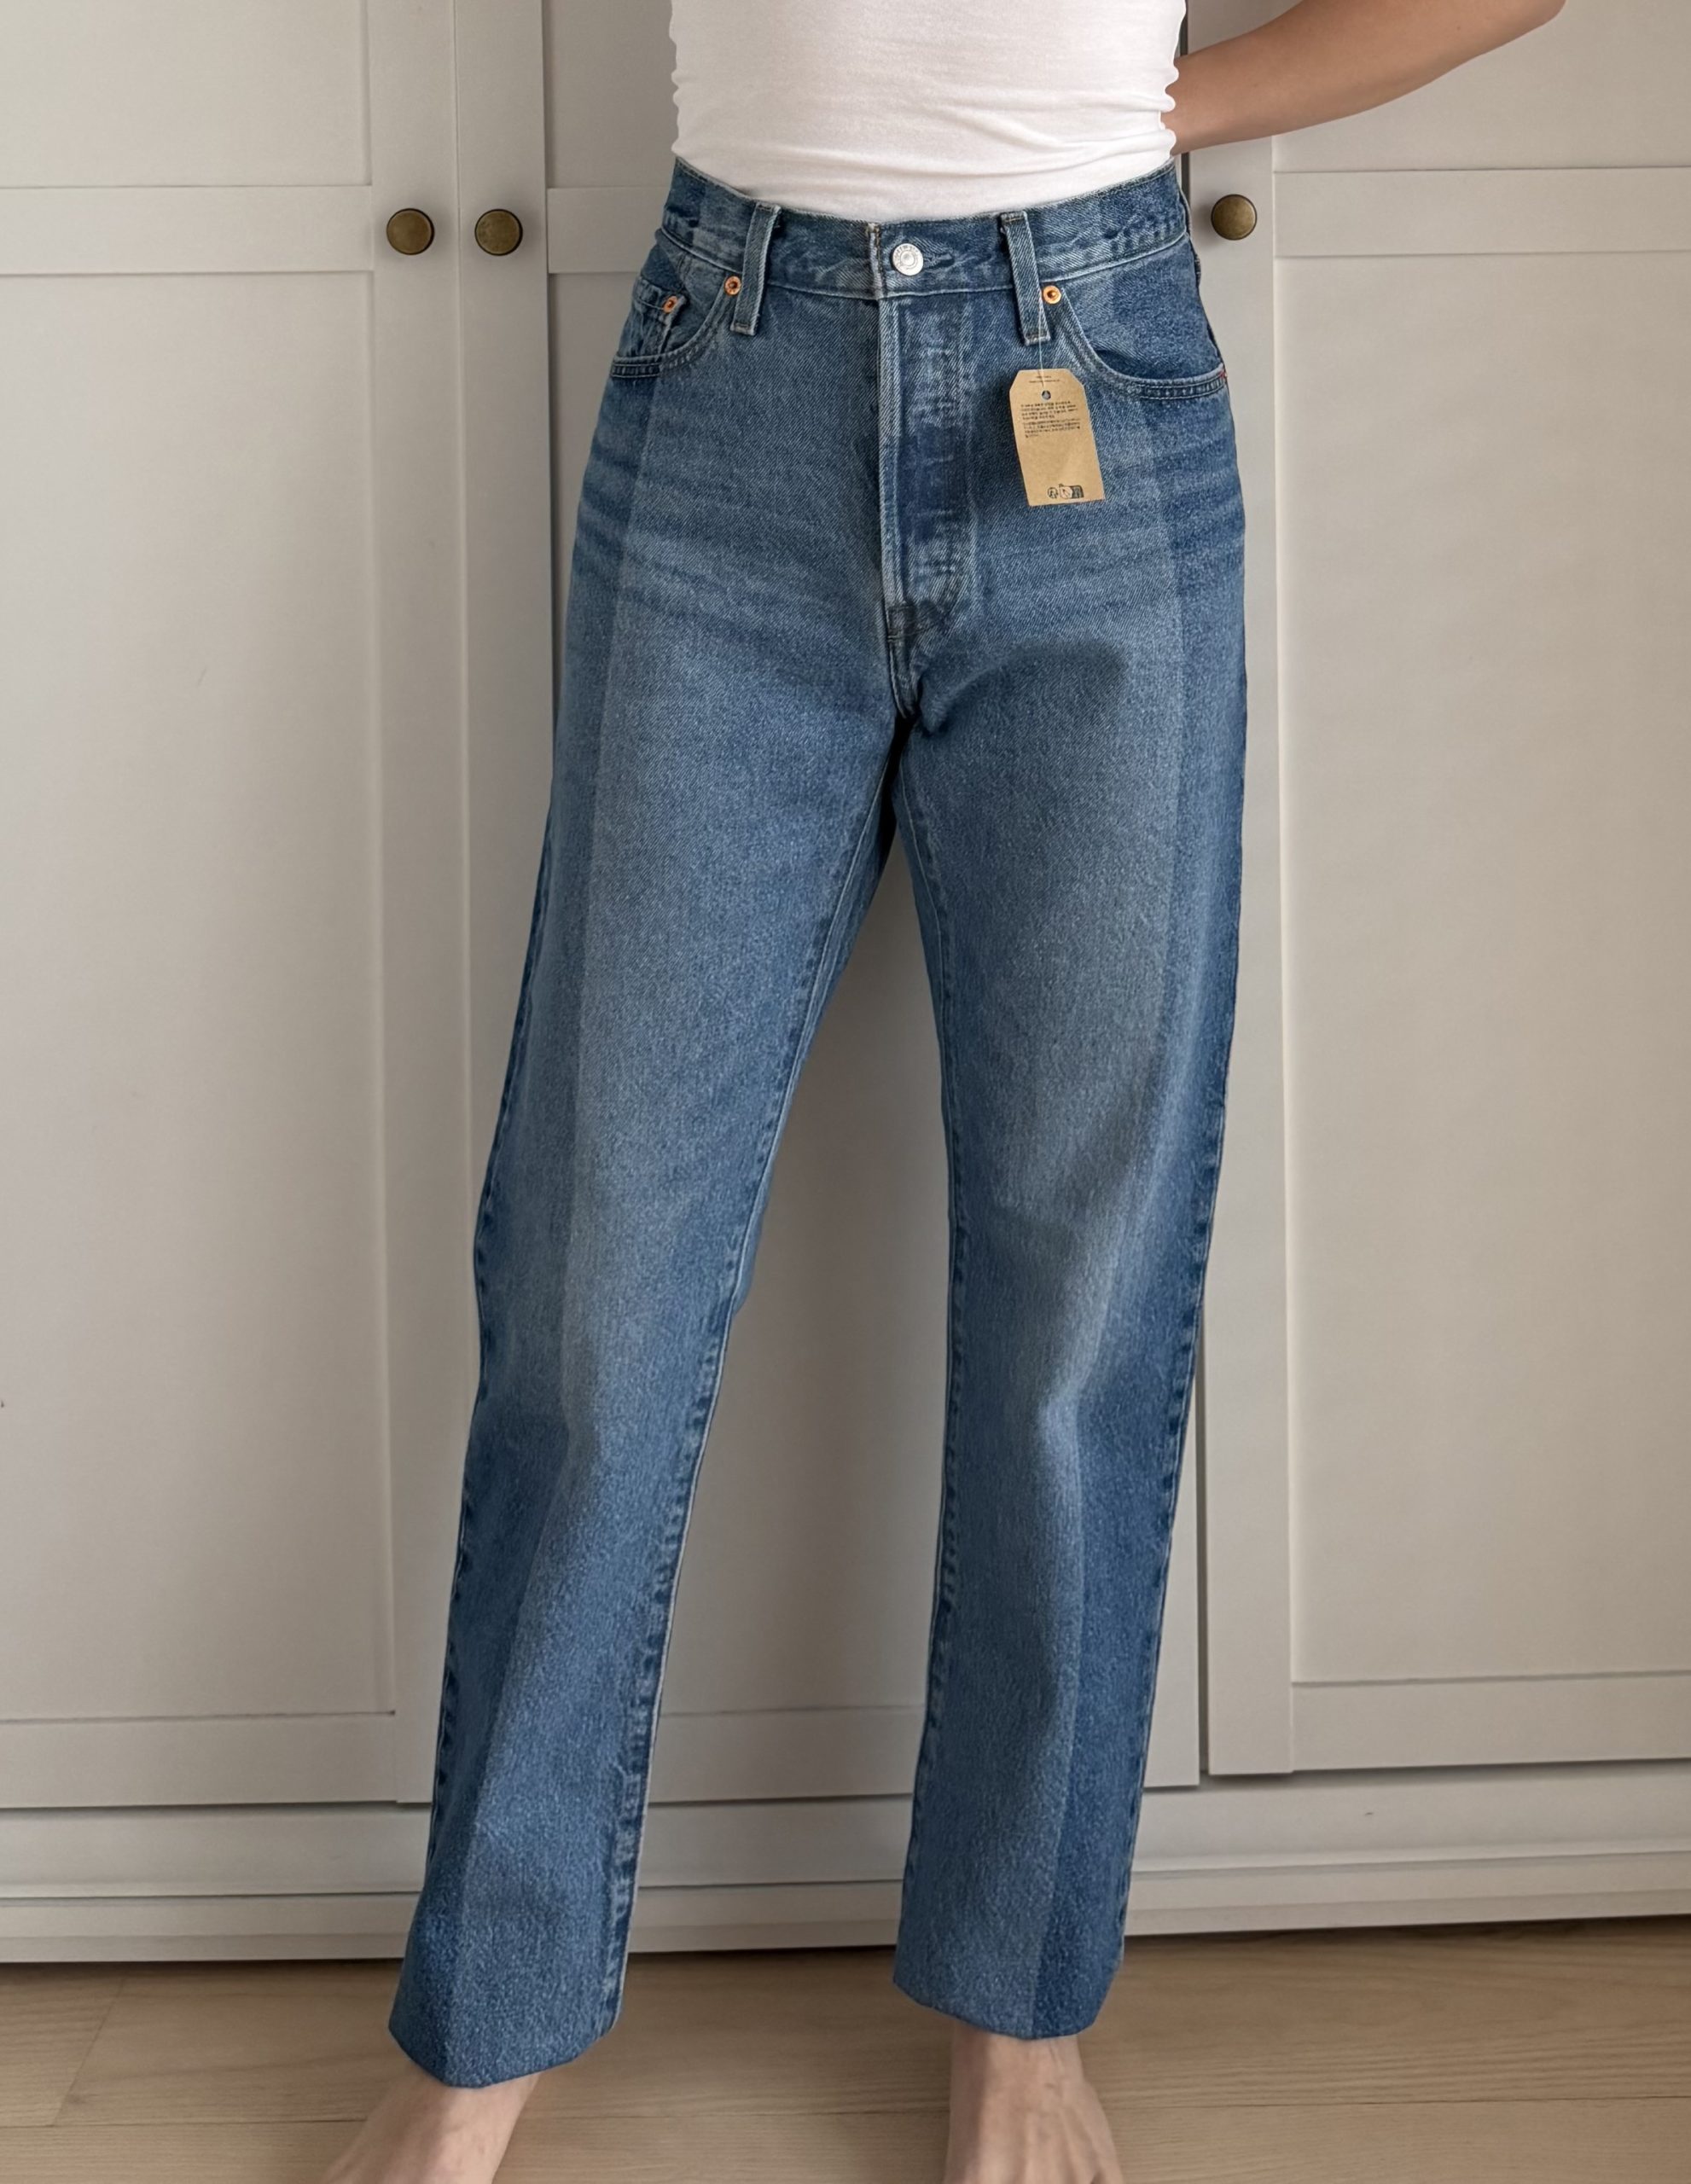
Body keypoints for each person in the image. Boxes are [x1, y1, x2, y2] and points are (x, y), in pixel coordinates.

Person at [324, 2, 1563, 2177]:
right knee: (598, 1292)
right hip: (731, 375)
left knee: (1085, 1303)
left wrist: (1168, 105)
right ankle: (483, 2028)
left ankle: (1018, 2006)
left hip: (1099, 363)